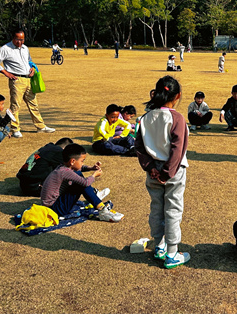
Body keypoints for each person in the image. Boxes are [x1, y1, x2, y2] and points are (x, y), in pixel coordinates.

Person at [135, 75, 191, 269]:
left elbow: (139, 146)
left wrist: (151, 167)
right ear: (178, 96)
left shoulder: (145, 118)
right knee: (173, 210)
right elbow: (178, 149)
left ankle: (159, 245)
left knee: (157, 208)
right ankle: (172, 253)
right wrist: (167, 173)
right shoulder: (177, 118)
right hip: (173, 171)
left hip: (153, 171)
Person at [0, 28, 56, 138]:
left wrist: (32, 69)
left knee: (33, 104)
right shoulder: (6, 49)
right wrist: (5, 72)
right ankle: (15, 129)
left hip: (28, 79)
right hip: (16, 80)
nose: (20, 42)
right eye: (18, 39)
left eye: (22, 39)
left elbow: (29, 61)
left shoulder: (25, 48)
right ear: (13, 38)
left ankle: (40, 127)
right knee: (15, 106)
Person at [41, 143, 123, 222]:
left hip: (53, 205)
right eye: (82, 161)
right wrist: (94, 175)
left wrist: (91, 168)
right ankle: (102, 209)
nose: (83, 163)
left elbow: (79, 168)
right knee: (81, 183)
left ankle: (94, 197)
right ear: (72, 161)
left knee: (78, 175)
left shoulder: (63, 167)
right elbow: (85, 183)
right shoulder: (65, 172)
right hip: (55, 209)